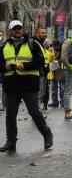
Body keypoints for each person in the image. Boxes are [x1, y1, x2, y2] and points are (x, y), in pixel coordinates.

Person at [0, 20, 53, 152]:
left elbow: (42, 61)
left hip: (29, 85)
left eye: (19, 28)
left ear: (23, 30)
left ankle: (47, 134)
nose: (17, 30)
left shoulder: (33, 44)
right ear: (10, 31)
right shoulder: (3, 46)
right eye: (15, 28)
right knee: (10, 115)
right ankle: (11, 141)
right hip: (11, 86)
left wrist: (26, 66)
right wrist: (4, 66)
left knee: (34, 112)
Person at [60, 26, 72, 120]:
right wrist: (69, 67)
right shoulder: (69, 41)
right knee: (68, 90)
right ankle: (67, 111)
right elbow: (63, 57)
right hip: (69, 70)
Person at [33, 27, 49, 110]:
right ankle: (36, 112)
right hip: (38, 72)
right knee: (39, 93)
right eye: (42, 33)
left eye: (45, 32)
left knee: (42, 93)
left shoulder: (43, 43)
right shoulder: (34, 43)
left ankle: (37, 110)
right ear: (37, 33)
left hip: (44, 71)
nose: (45, 34)